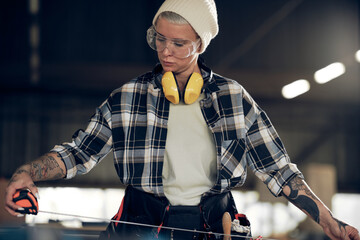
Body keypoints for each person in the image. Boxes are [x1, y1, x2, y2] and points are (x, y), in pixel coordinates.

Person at [4, 0, 360, 239]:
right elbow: (77, 153)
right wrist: (28, 173)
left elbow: (279, 169)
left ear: (201, 45)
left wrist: (329, 221)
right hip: (140, 224)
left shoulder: (233, 98)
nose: (165, 51)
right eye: (159, 39)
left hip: (214, 225)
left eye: (178, 44)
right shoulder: (128, 97)